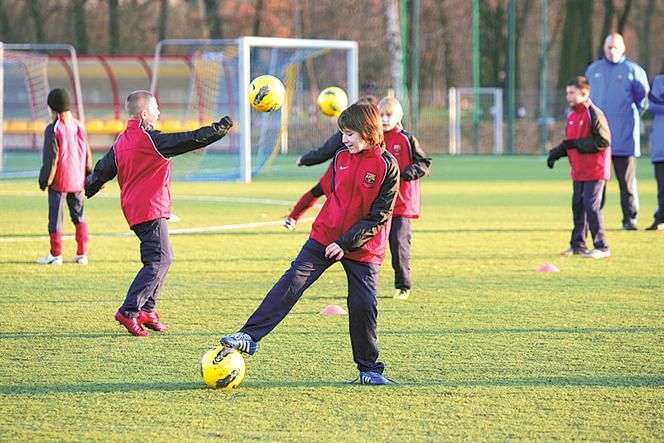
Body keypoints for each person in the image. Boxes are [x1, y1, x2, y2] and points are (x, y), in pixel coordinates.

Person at [219, 103, 400, 385]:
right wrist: (301, 215)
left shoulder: (388, 166)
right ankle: (249, 336)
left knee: (363, 304)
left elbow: (379, 215)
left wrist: (345, 243)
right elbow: (326, 192)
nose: (344, 140)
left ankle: (369, 370)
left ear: (368, 131)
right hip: (324, 236)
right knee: (292, 280)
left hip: (364, 246)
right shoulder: (340, 156)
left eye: (349, 133)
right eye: (342, 133)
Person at [84, 90, 233, 336]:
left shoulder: (122, 140)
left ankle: (148, 310)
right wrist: (219, 129)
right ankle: (129, 310)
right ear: (145, 114)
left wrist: (89, 187)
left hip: (136, 210)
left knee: (163, 258)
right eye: (156, 109)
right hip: (149, 209)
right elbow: (190, 139)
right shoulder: (151, 140)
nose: (159, 112)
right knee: (158, 261)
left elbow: (103, 170)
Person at [283, 96, 379, 231]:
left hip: (352, 178)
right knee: (319, 193)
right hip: (338, 173)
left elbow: (324, 152)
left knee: (335, 202)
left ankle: (295, 219)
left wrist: (304, 160)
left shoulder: (376, 141)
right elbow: (325, 151)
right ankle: (293, 218)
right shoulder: (348, 134)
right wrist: (305, 159)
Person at [585, 32, 649, 230]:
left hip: (624, 138)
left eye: (616, 47)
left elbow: (643, 102)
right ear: (604, 48)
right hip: (598, 139)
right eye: (608, 47)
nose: (612, 51)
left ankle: (630, 220)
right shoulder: (593, 70)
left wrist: (628, 119)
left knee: (627, 183)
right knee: (596, 182)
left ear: (623, 48)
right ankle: (594, 220)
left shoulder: (634, 71)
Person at [547, 76, 612, 259]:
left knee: (591, 206)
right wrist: (555, 154)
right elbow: (570, 144)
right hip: (578, 171)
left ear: (584, 93)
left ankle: (602, 247)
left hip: (595, 170)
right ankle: (578, 246)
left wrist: (578, 144)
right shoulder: (572, 116)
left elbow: (603, 141)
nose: (568, 96)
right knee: (577, 205)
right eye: (567, 93)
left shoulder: (594, 114)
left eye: (572, 93)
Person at [378, 97, 431, 300]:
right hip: (379, 204)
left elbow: (424, 163)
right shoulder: (374, 139)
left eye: (389, 115)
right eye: (381, 115)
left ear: (399, 117)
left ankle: (403, 286)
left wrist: (402, 175)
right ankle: (367, 283)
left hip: (401, 204)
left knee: (399, 246)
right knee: (370, 247)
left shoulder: (406, 139)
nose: (384, 119)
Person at [37, 88, 92, 265]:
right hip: (77, 180)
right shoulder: (79, 125)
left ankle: (55, 255)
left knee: (55, 218)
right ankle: (82, 254)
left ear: (53, 108)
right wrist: (89, 175)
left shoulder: (53, 128)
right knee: (79, 217)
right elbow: (87, 153)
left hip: (59, 181)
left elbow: (51, 158)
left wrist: (45, 180)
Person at [646, 72, 664, 231]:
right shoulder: (659, 81)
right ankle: (661, 219)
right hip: (661, 146)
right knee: (662, 187)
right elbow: (652, 103)